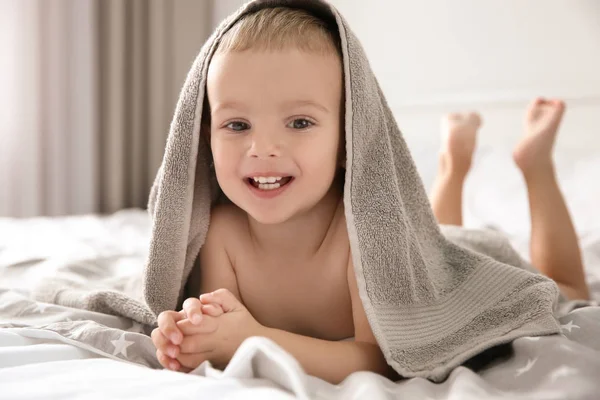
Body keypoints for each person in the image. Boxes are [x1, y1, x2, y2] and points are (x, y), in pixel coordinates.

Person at [150, 7, 395, 384]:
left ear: (348, 138)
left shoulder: (361, 232)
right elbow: (223, 335)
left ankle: (455, 171)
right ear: (205, 140)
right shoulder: (223, 235)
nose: (262, 149)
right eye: (237, 125)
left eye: (300, 122)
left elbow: (380, 359)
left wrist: (255, 338)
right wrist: (188, 336)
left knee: (450, 232)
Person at [430, 98, 591, 302]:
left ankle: (453, 165)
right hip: (483, 275)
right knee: (569, 289)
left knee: (436, 266)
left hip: (438, 279)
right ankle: (534, 163)